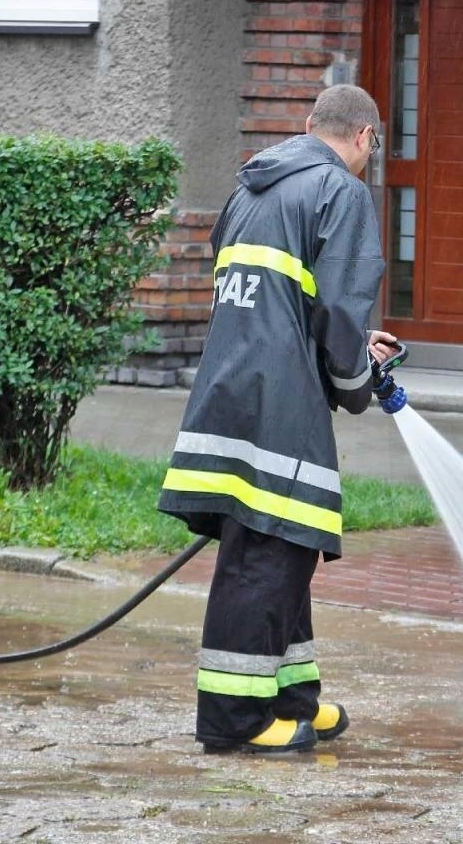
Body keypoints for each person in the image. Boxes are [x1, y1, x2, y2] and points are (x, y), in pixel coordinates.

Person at [158, 84, 399, 754]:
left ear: (309, 126)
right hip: (279, 399)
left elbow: (283, 297)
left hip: (233, 383)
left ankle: (291, 696)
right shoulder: (339, 193)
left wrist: (344, 345)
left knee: (280, 545)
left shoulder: (254, 187)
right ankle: (236, 717)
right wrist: (358, 377)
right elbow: (341, 311)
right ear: (364, 139)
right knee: (264, 557)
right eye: (371, 146)